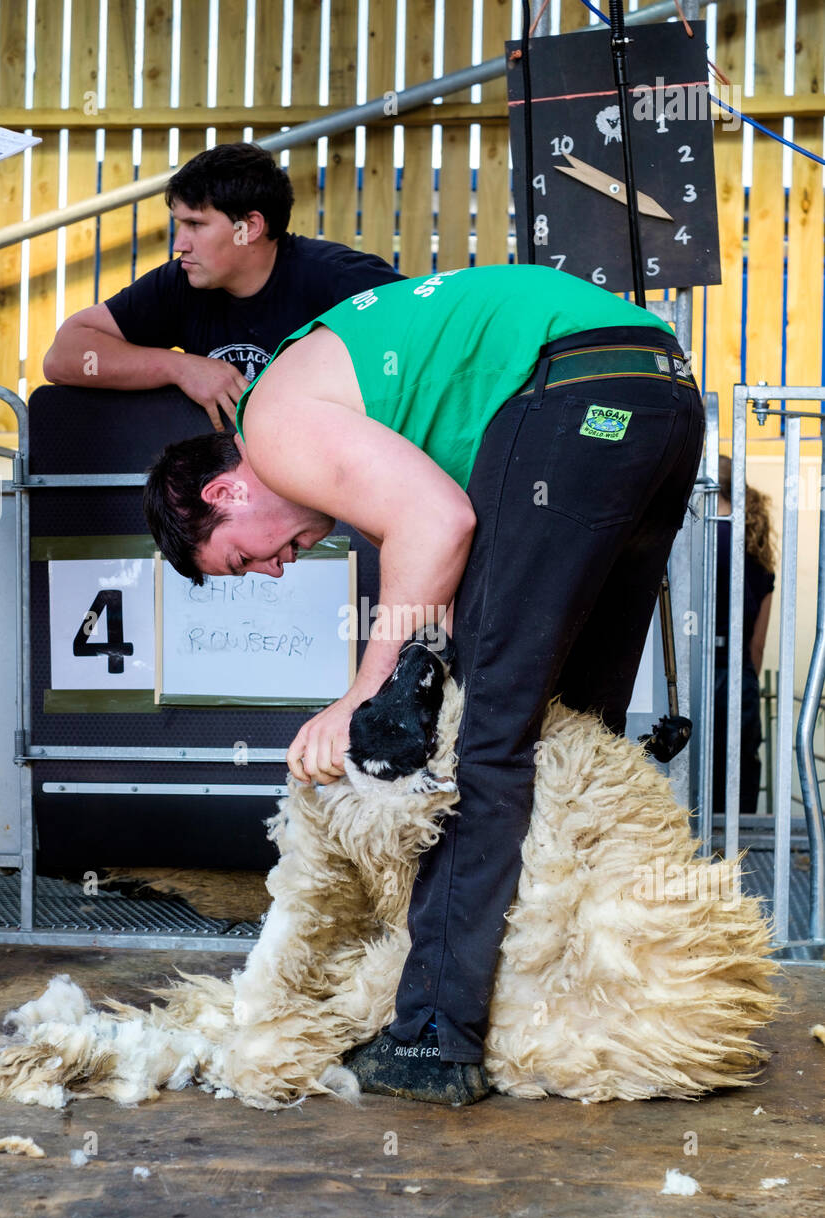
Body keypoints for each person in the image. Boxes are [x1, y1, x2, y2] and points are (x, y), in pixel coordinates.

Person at [142, 264, 705, 1105]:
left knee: (483, 740)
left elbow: (439, 523)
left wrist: (365, 700)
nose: (274, 568)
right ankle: (575, 998)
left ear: (226, 489)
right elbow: (438, 547)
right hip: (658, 393)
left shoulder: (272, 427)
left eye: (243, 557)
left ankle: (435, 1036)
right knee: (568, 731)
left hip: (572, 390)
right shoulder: (343, 405)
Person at [43, 141, 402, 432]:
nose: (179, 243)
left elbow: (434, 348)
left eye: (196, 224)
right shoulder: (181, 281)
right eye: (178, 224)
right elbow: (63, 357)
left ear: (250, 227)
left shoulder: (342, 278)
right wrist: (181, 367)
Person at [712, 455, 775, 815]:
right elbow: (758, 644)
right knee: (737, 775)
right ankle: (740, 859)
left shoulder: (691, 536)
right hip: (738, 676)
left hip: (693, 675)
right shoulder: (755, 548)